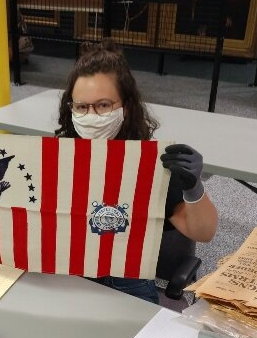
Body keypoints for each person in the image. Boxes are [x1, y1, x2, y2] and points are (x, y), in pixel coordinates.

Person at [57, 39, 218, 304]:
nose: (91, 115)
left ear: (126, 107)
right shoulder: (58, 158)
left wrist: (193, 188)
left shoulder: (148, 165)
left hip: (125, 282)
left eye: (104, 105)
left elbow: (203, 232)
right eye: (81, 107)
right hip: (65, 275)